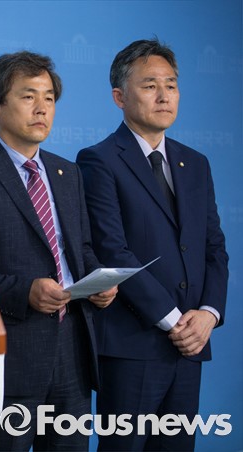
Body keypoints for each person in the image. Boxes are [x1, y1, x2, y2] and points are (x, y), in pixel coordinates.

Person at [0, 51, 117, 451]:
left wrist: (99, 281)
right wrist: (23, 292)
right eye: (28, 96)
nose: (42, 109)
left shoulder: (67, 172)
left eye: (49, 98)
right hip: (9, 358)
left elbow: (81, 249)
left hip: (73, 352)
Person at [76, 39, 229, 451]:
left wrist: (208, 315)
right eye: (149, 86)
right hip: (133, 345)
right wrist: (174, 320)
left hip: (191, 345)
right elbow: (113, 250)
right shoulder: (99, 160)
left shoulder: (196, 163)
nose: (164, 96)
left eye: (171, 85)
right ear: (119, 97)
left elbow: (214, 248)